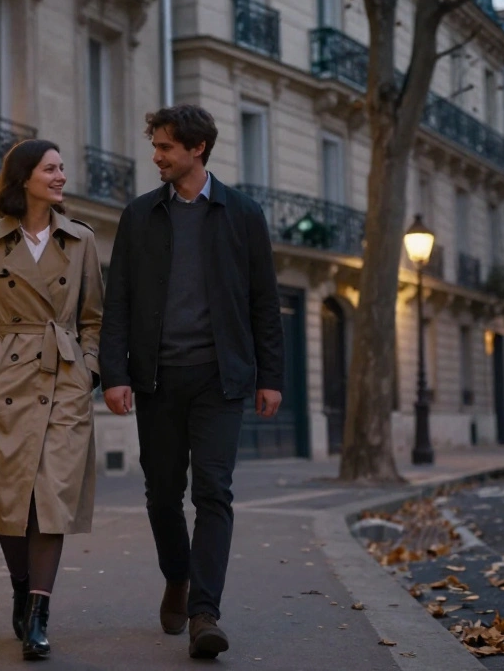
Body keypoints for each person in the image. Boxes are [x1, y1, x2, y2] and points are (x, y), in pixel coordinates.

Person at [99, 105, 284, 659]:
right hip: (156, 378)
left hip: (219, 379)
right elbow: (119, 303)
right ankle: (177, 575)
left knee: (213, 491)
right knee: (161, 496)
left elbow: (263, 302)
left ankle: (205, 612)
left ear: (196, 149)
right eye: (155, 146)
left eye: (165, 148)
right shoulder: (139, 216)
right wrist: (114, 373)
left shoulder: (243, 214)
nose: (156, 156)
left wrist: (270, 376)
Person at [0, 139, 104, 661]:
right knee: (8, 497)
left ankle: (39, 611)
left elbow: (94, 319)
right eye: (51, 168)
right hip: (4, 382)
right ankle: (21, 584)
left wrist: (89, 370)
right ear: (24, 178)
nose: (61, 176)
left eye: (63, 167)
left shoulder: (81, 240)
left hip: (62, 379)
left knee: (51, 498)